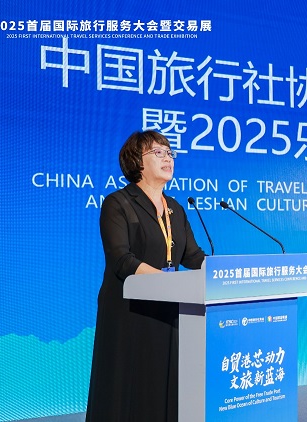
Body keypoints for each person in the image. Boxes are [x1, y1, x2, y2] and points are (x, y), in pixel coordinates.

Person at [86, 130, 206, 421]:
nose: (168, 158)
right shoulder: (118, 203)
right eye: (158, 152)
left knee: (164, 385)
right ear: (137, 161)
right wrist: (167, 283)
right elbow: (122, 260)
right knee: (129, 388)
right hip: (129, 312)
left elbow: (192, 256)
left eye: (170, 153)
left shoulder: (175, 208)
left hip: (169, 310)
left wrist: (225, 274)